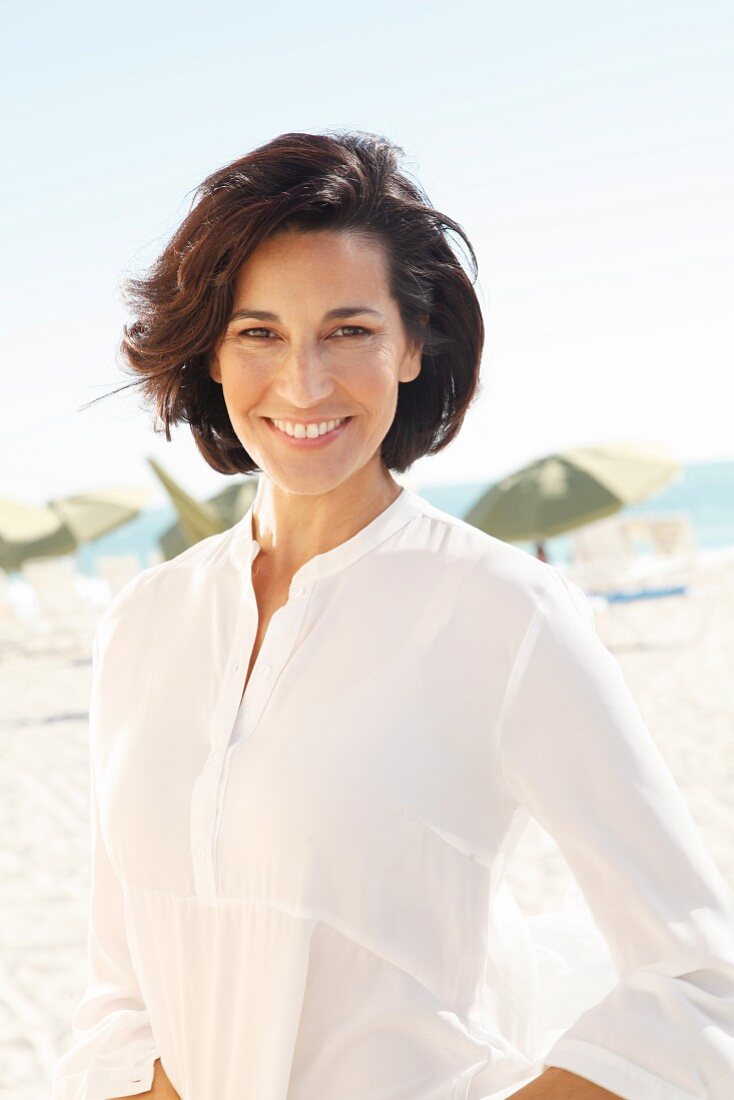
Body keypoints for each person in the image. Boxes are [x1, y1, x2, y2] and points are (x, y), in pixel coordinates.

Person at [52, 130, 734, 1100]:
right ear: (210, 348)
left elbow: (700, 980)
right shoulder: (141, 623)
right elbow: (125, 997)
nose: (303, 384)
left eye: (349, 330)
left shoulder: (505, 614)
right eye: (259, 333)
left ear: (411, 344)